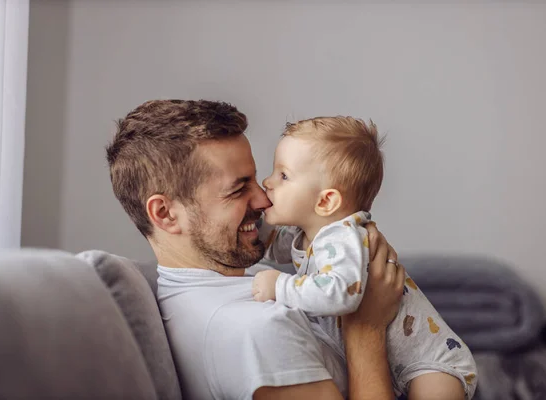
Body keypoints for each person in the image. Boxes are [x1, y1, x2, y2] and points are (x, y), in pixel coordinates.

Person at [105, 99, 468, 399]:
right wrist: (366, 328)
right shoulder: (259, 333)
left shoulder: (185, 293)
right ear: (165, 214)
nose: (264, 198)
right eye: (238, 188)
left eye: (265, 178)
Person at [251, 116, 477, 399]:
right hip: (393, 365)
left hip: (432, 362)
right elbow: (269, 245)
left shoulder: (343, 238)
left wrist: (280, 287)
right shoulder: (307, 233)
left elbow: (339, 294)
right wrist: (251, 217)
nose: (267, 182)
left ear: (326, 201)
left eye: (283, 175)